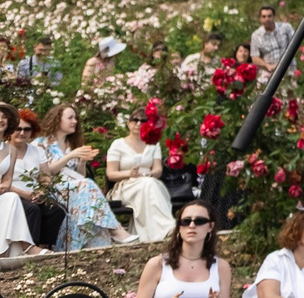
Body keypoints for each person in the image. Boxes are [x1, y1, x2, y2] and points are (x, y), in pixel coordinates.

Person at [34, 101, 133, 248]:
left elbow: (79, 176)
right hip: (52, 188)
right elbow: (46, 172)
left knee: (87, 191)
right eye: (70, 118)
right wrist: (69, 156)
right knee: (88, 185)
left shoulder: (71, 144)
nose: (74, 121)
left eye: (76, 118)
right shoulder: (41, 143)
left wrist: (81, 162)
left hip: (74, 187)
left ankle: (92, 245)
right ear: (57, 119)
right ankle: (115, 229)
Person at [133, 200, 231, 298]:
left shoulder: (221, 267)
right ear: (179, 227)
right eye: (186, 221)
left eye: (199, 221)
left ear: (210, 226)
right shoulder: (157, 264)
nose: (192, 226)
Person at [107, 110, 177, 240]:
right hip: (126, 185)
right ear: (128, 123)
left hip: (148, 181)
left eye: (143, 121)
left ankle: (162, 229)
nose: (139, 124)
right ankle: (167, 227)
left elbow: (158, 170)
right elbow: (111, 174)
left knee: (150, 184)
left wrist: (147, 174)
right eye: (135, 120)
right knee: (149, 185)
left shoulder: (153, 144)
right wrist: (129, 173)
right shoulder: (117, 144)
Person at [2, 110, 44, 255]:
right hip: (13, 193)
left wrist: (42, 191)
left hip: (23, 193)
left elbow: (45, 177)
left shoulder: (14, 150)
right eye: (18, 129)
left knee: (55, 210)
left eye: (27, 129)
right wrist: (23, 193)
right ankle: (27, 247)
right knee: (26, 206)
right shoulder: (9, 149)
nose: (22, 133)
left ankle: (43, 246)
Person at [249, 9, 295, 80]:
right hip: (269, 74)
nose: (267, 19)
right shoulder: (256, 35)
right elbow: (255, 57)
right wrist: (268, 66)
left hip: (288, 69)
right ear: (260, 19)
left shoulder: (285, 28)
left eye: (269, 16)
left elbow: (295, 44)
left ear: (274, 17)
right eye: (264, 17)